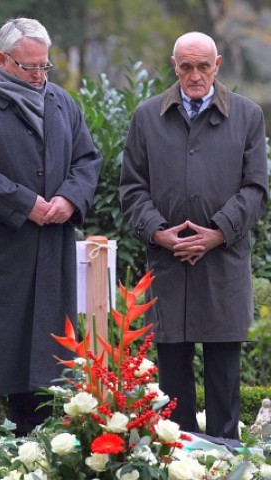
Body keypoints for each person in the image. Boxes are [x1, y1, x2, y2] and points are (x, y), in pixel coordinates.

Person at [0, 18, 102, 436]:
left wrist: (70, 198)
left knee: (46, 372)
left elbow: (88, 159)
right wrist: (25, 204)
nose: (39, 76)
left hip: (50, 251)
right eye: (29, 67)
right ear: (1, 59)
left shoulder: (62, 102)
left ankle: (40, 452)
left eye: (44, 67)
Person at [119, 31, 268, 439]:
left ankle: (228, 457)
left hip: (223, 262)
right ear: (174, 66)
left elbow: (256, 189)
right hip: (168, 265)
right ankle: (176, 459)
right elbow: (131, 188)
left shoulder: (248, 115)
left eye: (204, 66)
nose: (195, 75)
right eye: (186, 66)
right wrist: (160, 233)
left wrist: (218, 232)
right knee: (172, 385)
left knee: (223, 375)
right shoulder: (147, 116)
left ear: (217, 66)